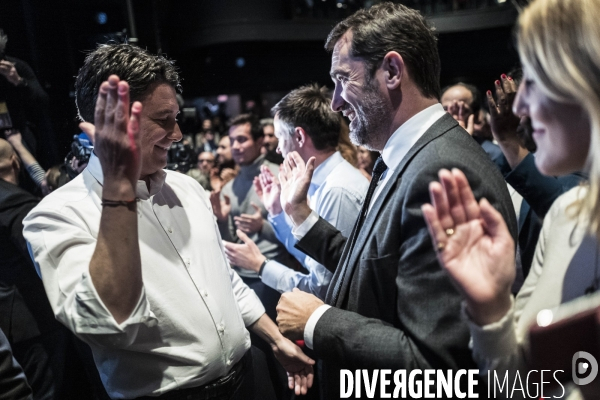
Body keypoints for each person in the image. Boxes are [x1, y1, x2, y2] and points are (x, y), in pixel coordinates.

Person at [22, 44, 313, 400]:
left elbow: (224, 280)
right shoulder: (54, 216)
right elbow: (109, 323)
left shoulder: (187, 187)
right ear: (113, 121)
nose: (176, 134)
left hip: (249, 378)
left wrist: (276, 339)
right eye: (164, 120)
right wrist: (119, 187)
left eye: (176, 118)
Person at [273, 3, 517, 398]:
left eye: (342, 79)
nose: (335, 103)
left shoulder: (441, 171)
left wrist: (319, 321)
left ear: (391, 71)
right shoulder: (405, 154)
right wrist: (299, 215)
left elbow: (439, 365)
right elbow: (375, 266)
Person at [421, 0, 600, 397]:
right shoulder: (565, 214)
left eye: (534, 80)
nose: (518, 106)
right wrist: (490, 309)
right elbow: (517, 385)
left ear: (587, 80)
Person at [223, 84, 369, 300]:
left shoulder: (336, 191)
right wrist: (277, 212)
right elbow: (313, 259)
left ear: (299, 137)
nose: (278, 148)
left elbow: (323, 289)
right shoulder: (326, 182)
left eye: (280, 137)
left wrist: (261, 265)